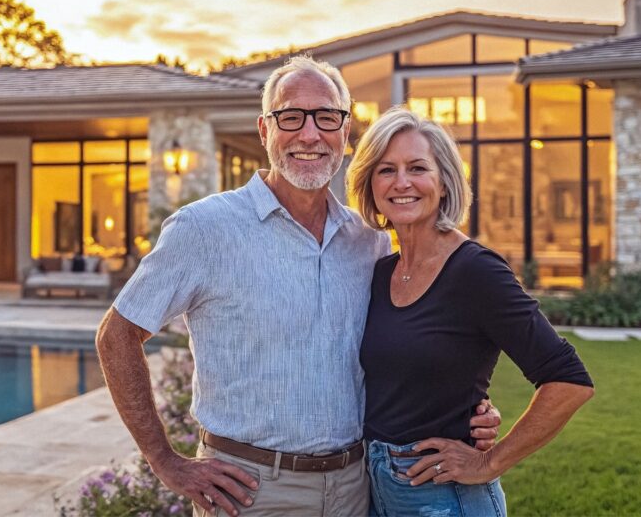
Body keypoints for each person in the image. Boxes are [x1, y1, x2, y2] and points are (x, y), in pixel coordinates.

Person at [95, 56, 502, 517]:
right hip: (249, 492)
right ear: (265, 131)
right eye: (290, 116)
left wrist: (467, 408)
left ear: (345, 132)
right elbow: (117, 335)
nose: (310, 134)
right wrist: (164, 461)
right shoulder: (205, 229)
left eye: (327, 117)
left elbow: (402, 348)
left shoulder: (368, 240)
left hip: (356, 488)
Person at [346, 107, 595, 517]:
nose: (402, 182)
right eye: (386, 170)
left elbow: (568, 379)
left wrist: (488, 462)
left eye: (417, 167)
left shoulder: (476, 271)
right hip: (373, 489)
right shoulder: (380, 271)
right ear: (370, 184)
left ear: (444, 182)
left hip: (444, 497)